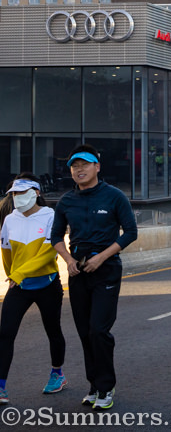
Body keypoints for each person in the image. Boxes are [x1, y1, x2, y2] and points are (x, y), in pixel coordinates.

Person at [50, 145, 138, 410]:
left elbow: (130, 232)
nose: (79, 169)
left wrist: (102, 256)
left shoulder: (114, 196)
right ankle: (94, 385)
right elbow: (55, 237)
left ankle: (106, 386)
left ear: (97, 167)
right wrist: (68, 260)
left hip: (106, 269)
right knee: (85, 332)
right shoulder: (66, 201)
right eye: (74, 166)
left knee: (99, 330)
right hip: (78, 271)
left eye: (85, 164)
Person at [0, 176, 66, 403]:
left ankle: (57, 374)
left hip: (47, 283)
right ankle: (1, 387)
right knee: (5, 333)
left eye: (22, 192)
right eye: (14, 194)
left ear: (37, 193)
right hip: (20, 285)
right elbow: (6, 252)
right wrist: (12, 275)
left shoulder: (51, 216)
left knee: (53, 330)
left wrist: (19, 274)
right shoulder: (10, 219)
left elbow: (49, 253)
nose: (17, 198)